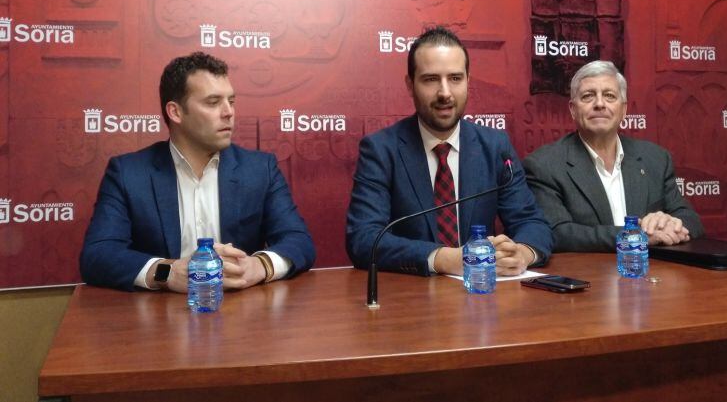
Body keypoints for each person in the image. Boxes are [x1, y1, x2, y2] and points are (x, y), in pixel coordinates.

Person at [80, 52, 315, 291]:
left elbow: (299, 241)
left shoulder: (259, 169)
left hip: (241, 317)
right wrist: (169, 272)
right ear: (176, 112)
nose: (229, 112)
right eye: (213, 102)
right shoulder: (128, 173)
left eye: (231, 101)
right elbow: (98, 255)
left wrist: (259, 265)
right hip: (160, 320)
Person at [346, 27, 552, 276]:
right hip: (411, 299)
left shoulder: (495, 146)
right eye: (431, 79)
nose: (445, 93)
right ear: (410, 85)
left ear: (468, 81)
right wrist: (444, 259)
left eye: (455, 78)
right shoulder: (381, 150)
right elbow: (364, 240)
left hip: (483, 297)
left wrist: (523, 253)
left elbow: (532, 223)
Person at [523, 60, 704, 252]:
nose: (599, 104)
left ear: (624, 110)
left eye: (609, 96)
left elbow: (691, 221)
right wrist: (635, 236)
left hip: (655, 275)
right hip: (590, 277)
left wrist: (670, 224)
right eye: (588, 96)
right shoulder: (544, 165)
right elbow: (558, 233)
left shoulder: (655, 159)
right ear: (573, 110)